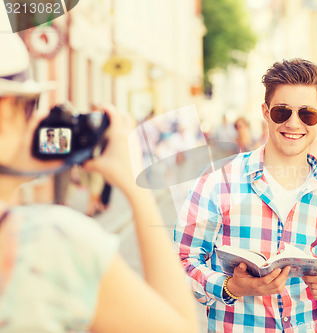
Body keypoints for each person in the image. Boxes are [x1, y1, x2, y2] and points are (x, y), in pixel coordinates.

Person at [0, 33, 198, 333]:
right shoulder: (51, 243)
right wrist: (136, 187)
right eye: (29, 106)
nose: (35, 120)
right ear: (4, 110)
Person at [174, 58, 317, 332]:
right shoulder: (216, 182)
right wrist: (230, 287)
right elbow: (181, 262)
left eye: (307, 114)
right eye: (283, 112)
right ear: (265, 112)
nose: (294, 123)